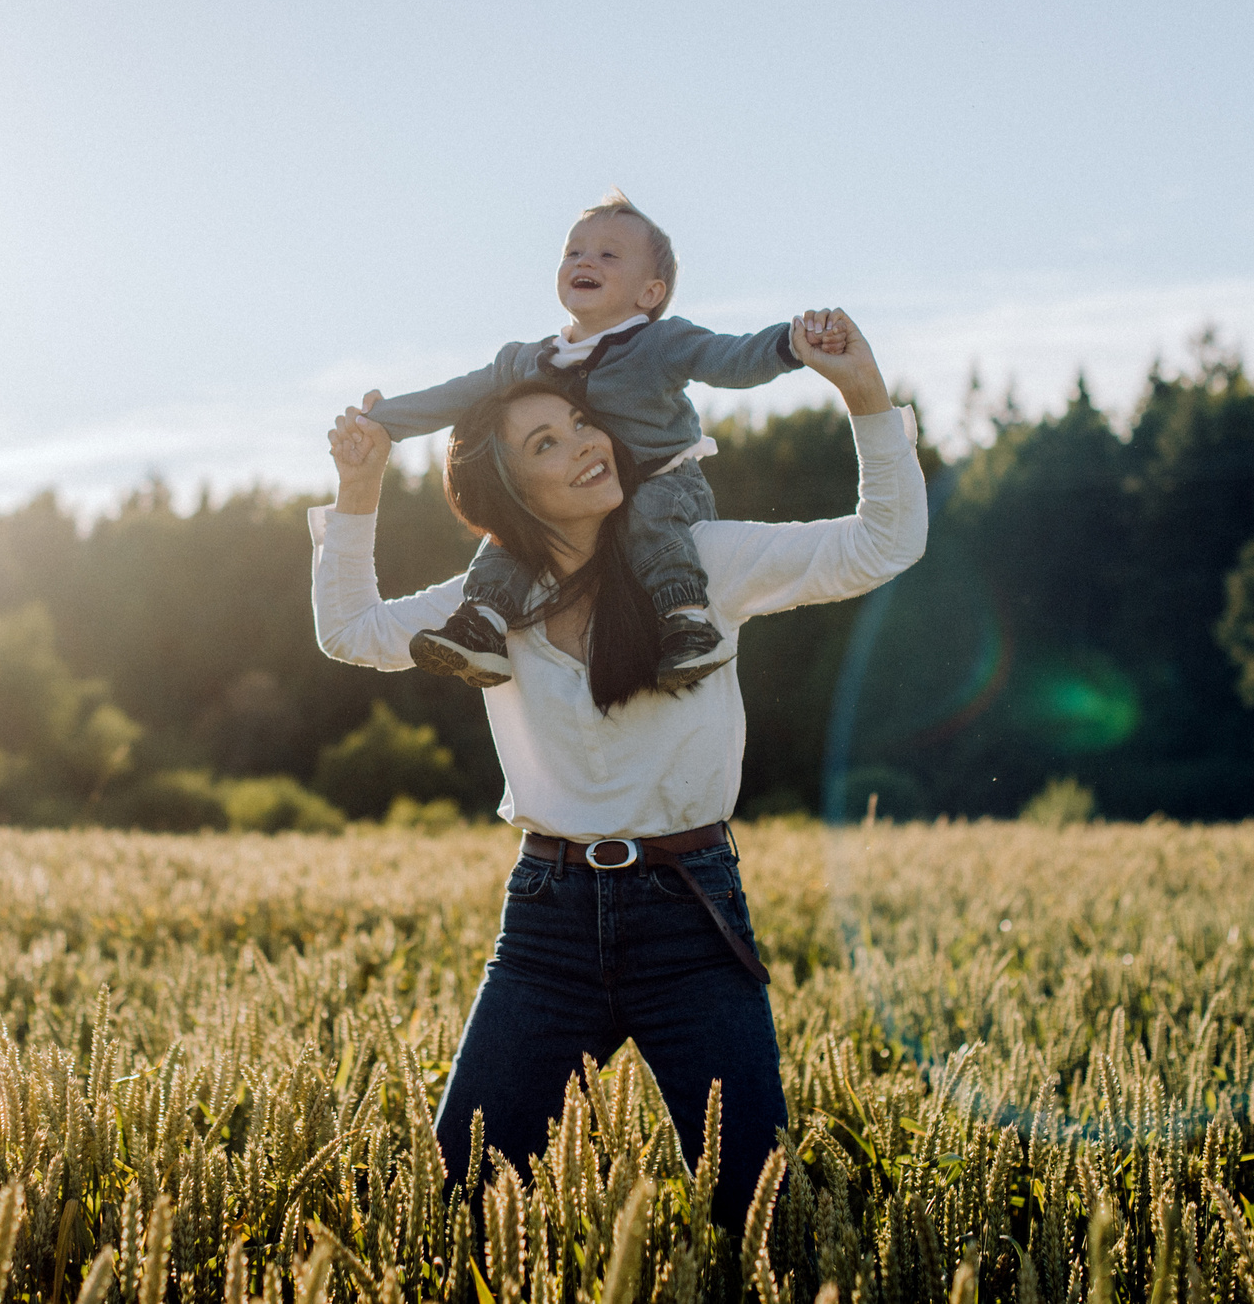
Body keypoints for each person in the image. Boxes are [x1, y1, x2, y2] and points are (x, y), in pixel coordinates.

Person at [311, 307, 924, 1219]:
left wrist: (864, 396)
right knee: (455, 1201)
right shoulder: (487, 609)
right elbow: (350, 632)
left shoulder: (701, 563)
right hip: (546, 930)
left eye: (584, 422)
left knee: (752, 1210)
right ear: (508, 488)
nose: (588, 443)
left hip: (691, 914)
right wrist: (359, 489)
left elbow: (884, 542)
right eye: (547, 443)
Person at [359, 190, 827, 696]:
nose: (585, 260)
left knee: (650, 516)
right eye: (573, 252)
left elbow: (731, 357)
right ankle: (483, 625)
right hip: (583, 495)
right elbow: (458, 394)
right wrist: (385, 420)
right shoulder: (530, 360)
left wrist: (791, 344)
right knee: (518, 527)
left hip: (664, 480)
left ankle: (689, 623)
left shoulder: (661, 343)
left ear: (649, 294)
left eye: (608, 254)